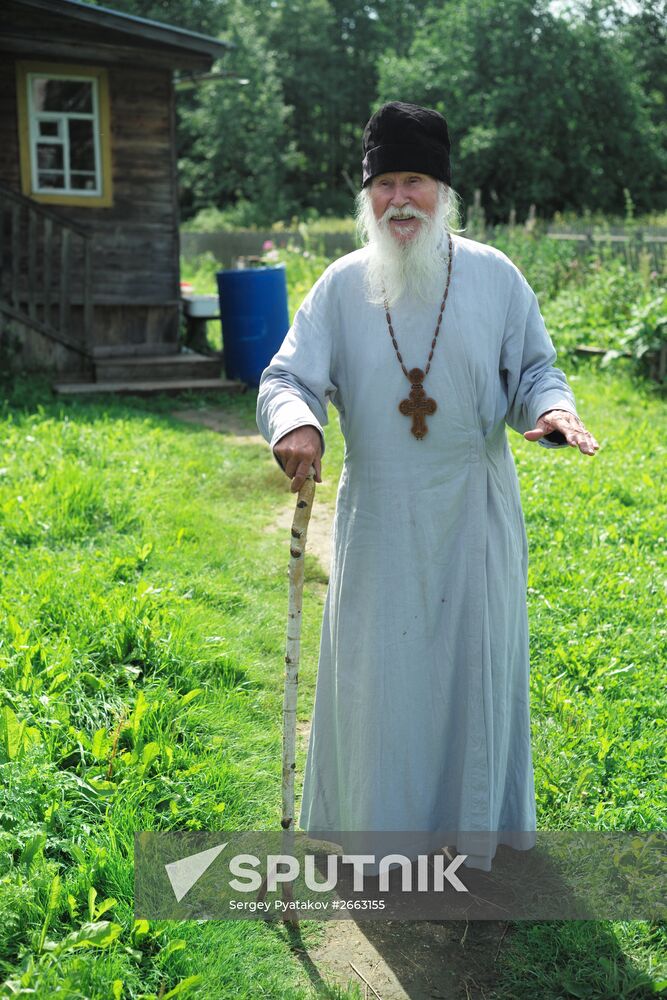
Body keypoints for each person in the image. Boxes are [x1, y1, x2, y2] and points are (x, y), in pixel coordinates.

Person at [256, 101, 599, 873]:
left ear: (443, 192)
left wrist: (550, 408)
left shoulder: (494, 276)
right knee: (383, 675)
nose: (399, 199)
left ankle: (467, 827)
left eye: (415, 181)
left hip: (472, 513)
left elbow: (534, 369)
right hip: (378, 515)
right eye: (385, 184)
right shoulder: (342, 286)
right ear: (366, 196)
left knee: (469, 669)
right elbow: (286, 376)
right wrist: (295, 424)